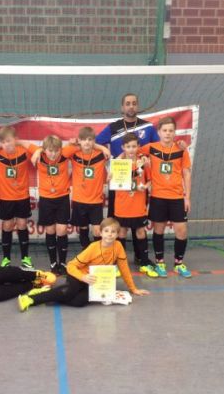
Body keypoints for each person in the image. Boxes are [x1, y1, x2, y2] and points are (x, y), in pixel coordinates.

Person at [18, 217, 149, 311]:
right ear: (100, 233)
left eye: (113, 232)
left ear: (117, 234)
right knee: (69, 291)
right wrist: (82, 277)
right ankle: (32, 299)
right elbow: (70, 266)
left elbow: (124, 269)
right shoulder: (93, 248)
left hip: (93, 280)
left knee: (79, 302)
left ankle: (51, 293)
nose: (109, 235)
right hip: (78, 275)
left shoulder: (118, 246)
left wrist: (133, 289)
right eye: (106, 231)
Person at [96, 93, 159, 263]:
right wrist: (106, 151)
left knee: (139, 225)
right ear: (122, 107)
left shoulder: (148, 127)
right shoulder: (113, 127)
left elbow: (158, 148)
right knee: (120, 226)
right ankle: (117, 259)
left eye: (134, 103)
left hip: (139, 178)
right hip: (119, 180)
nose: (131, 106)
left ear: (137, 106)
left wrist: (147, 161)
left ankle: (141, 258)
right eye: (128, 103)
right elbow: (96, 142)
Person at [140, 116, 192, 278]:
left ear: (175, 132)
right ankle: (160, 262)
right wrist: (142, 159)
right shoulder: (151, 148)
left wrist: (187, 197)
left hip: (177, 197)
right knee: (158, 230)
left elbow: (186, 173)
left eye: (171, 130)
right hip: (158, 196)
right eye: (164, 130)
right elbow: (132, 153)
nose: (168, 133)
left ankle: (178, 263)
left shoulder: (181, 149)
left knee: (181, 231)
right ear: (159, 132)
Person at [0, 126, 34, 269]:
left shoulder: (23, 151)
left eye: (9, 141)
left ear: (15, 139)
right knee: (7, 225)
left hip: (22, 196)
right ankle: (6, 259)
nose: (6, 144)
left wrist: (20, 142)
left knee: (22, 224)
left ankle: (25, 258)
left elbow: (37, 150)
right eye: (3, 142)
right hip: (6, 198)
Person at [113, 133, 165, 277]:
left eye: (134, 146)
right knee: (121, 233)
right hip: (122, 206)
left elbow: (150, 181)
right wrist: (112, 174)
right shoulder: (118, 163)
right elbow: (112, 181)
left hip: (138, 205)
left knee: (141, 232)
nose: (131, 149)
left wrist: (145, 187)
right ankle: (119, 264)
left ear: (138, 147)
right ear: (123, 147)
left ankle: (144, 263)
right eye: (128, 147)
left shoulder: (144, 163)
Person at [26, 135, 77, 275]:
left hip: (62, 198)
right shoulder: (40, 154)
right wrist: (37, 150)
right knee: (50, 231)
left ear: (61, 149)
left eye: (56, 150)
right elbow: (22, 142)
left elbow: (84, 144)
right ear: (44, 149)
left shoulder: (65, 153)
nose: (53, 154)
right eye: (50, 150)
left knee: (62, 230)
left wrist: (75, 141)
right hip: (46, 199)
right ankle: (53, 263)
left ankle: (63, 263)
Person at [68, 126, 109, 249]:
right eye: (84, 139)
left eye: (90, 139)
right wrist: (73, 144)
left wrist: (101, 147)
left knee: (97, 230)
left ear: (94, 141)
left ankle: (97, 253)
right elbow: (63, 152)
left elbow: (110, 155)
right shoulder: (74, 154)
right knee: (83, 228)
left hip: (95, 200)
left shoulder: (101, 155)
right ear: (79, 140)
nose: (87, 142)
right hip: (79, 199)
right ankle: (86, 252)